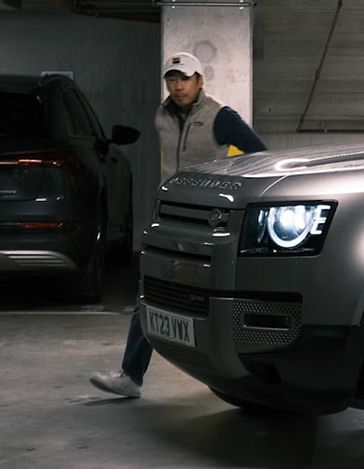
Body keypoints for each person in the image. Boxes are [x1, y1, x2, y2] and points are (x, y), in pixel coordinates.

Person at [89, 51, 267, 399]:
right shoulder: (161, 116)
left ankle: (247, 379)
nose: (177, 86)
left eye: (184, 79)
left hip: (209, 223)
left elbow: (260, 155)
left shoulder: (221, 117)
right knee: (151, 292)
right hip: (169, 219)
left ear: (200, 81)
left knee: (215, 300)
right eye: (171, 79)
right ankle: (131, 376)